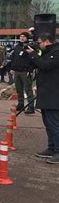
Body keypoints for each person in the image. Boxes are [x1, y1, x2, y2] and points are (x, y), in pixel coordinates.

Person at [25, 33, 59, 163]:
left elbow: (44, 66)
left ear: (46, 42)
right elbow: (39, 64)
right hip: (46, 93)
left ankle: (58, 151)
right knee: (48, 123)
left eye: (39, 42)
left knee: (55, 124)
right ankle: (51, 148)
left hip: (54, 94)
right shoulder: (47, 52)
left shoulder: (56, 52)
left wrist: (33, 54)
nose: (37, 44)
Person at [11, 32, 35, 114]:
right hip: (17, 71)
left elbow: (33, 60)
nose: (22, 38)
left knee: (28, 89)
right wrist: (12, 68)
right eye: (20, 36)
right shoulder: (17, 47)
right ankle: (20, 104)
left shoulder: (30, 46)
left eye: (24, 36)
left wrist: (30, 70)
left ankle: (31, 107)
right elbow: (13, 58)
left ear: (27, 38)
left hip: (25, 71)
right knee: (18, 89)